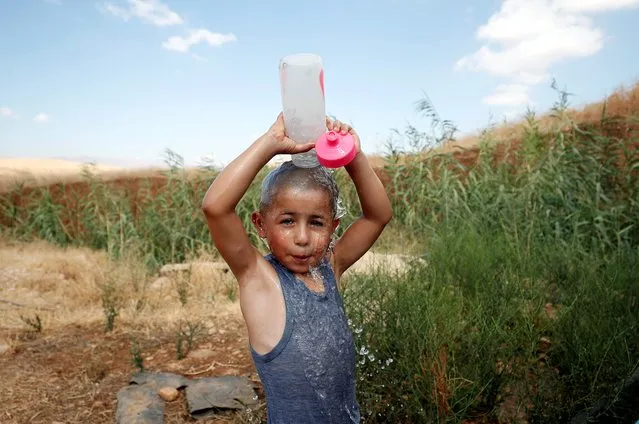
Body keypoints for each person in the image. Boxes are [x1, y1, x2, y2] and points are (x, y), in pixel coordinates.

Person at [201, 113, 392, 423]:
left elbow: (377, 216)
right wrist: (269, 144)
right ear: (260, 225)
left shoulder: (330, 267)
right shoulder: (259, 279)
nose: (302, 238)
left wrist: (353, 155)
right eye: (287, 221)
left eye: (316, 223)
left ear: (334, 227)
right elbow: (215, 208)